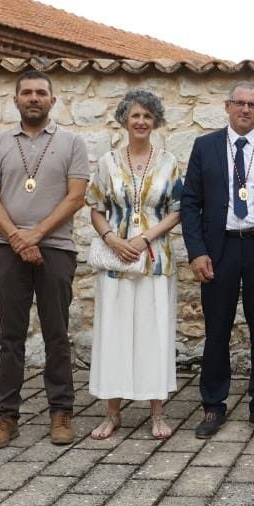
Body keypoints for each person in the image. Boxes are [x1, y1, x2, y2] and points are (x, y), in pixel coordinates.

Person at [0, 70, 90, 449]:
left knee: (56, 333)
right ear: (16, 100)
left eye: (41, 92)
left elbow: (76, 197)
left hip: (56, 248)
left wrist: (36, 235)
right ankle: (6, 415)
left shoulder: (72, 143)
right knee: (11, 336)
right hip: (6, 249)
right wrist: (16, 237)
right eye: (26, 92)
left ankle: (61, 411)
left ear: (52, 101)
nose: (34, 98)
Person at [180, 81, 254, 440]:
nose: (245, 110)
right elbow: (190, 203)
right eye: (239, 103)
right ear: (227, 107)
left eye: (252, 105)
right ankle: (213, 406)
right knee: (217, 331)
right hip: (220, 250)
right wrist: (197, 251)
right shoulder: (206, 146)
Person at [86, 90, 182, 441]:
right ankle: (112, 413)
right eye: (135, 116)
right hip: (115, 261)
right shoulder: (107, 162)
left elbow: (177, 208)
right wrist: (112, 238)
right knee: (113, 333)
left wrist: (145, 239)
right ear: (124, 119)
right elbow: (95, 207)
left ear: (155, 121)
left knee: (155, 333)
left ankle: (157, 414)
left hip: (155, 261)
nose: (141, 121)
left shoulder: (169, 162)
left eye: (147, 116)